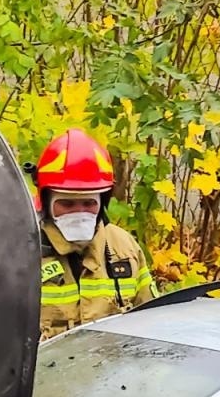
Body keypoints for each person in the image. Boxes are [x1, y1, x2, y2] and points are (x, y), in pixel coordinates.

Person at [34, 128, 155, 338]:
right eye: (67, 204)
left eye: (89, 203)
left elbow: (151, 320)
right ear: (46, 202)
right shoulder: (23, 253)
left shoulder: (124, 247)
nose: (79, 212)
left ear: (102, 202)